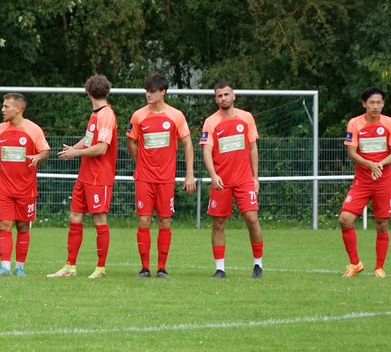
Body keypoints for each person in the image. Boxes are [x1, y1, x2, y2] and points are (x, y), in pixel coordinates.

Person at [47, 74, 119, 279]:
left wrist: (75, 153)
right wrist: (73, 148)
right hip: (85, 175)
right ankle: (69, 267)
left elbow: (101, 148)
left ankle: (100, 268)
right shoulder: (96, 115)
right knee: (75, 216)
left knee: (99, 219)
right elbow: (89, 140)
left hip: (99, 177)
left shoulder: (106, 115)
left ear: (89, 94)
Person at [125, 73, 196, 278]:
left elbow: (187, 143)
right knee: (143, 220)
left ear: (163, 92)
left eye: (152, 91)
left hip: (166, 178)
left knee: (165, 221)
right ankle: (145, 268)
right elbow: (131, 141)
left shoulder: (176, 116)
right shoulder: (138, 116)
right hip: (144, 178)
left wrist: (189, 174)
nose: (148, 94)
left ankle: (162, 268)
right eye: (146, 91)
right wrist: (140, 163)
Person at [200, 81, 263, 279]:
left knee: (252, 219)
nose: (223, 98)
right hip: (221, 181)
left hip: (244, 180)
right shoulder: (211, 122)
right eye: (219, 96)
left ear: (233, 96)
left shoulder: (246, 118)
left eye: (226, 94)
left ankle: (258, 265)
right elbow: (207, 151)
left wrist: (255, 177)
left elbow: (252, 148)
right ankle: (220, 269)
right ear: (215, 99)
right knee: (218, 224)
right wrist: (213, 175)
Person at [0, 93, 50, 277]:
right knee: (4, 225)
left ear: (18, 109)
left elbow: (45, 151)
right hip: (4, 188)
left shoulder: (33, 129)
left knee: (22, 227)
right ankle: (5, 267)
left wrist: (38, 157)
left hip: (26, 189)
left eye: (6, 107)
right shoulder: (0, 129)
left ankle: (20, 267)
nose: (2, 110)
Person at [338, 86, 391, 278]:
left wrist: (380, 164)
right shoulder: (354, 124)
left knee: (382, 224)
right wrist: (370, 164)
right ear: (364, 103)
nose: (375, 106)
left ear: (383, 104)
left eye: (379, 102)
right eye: (372, 102)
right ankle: (355, 263)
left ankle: (379, 268)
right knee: (345, 220)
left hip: (383, 181)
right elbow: (352, 153)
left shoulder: (390, 123)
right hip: (362, 182)